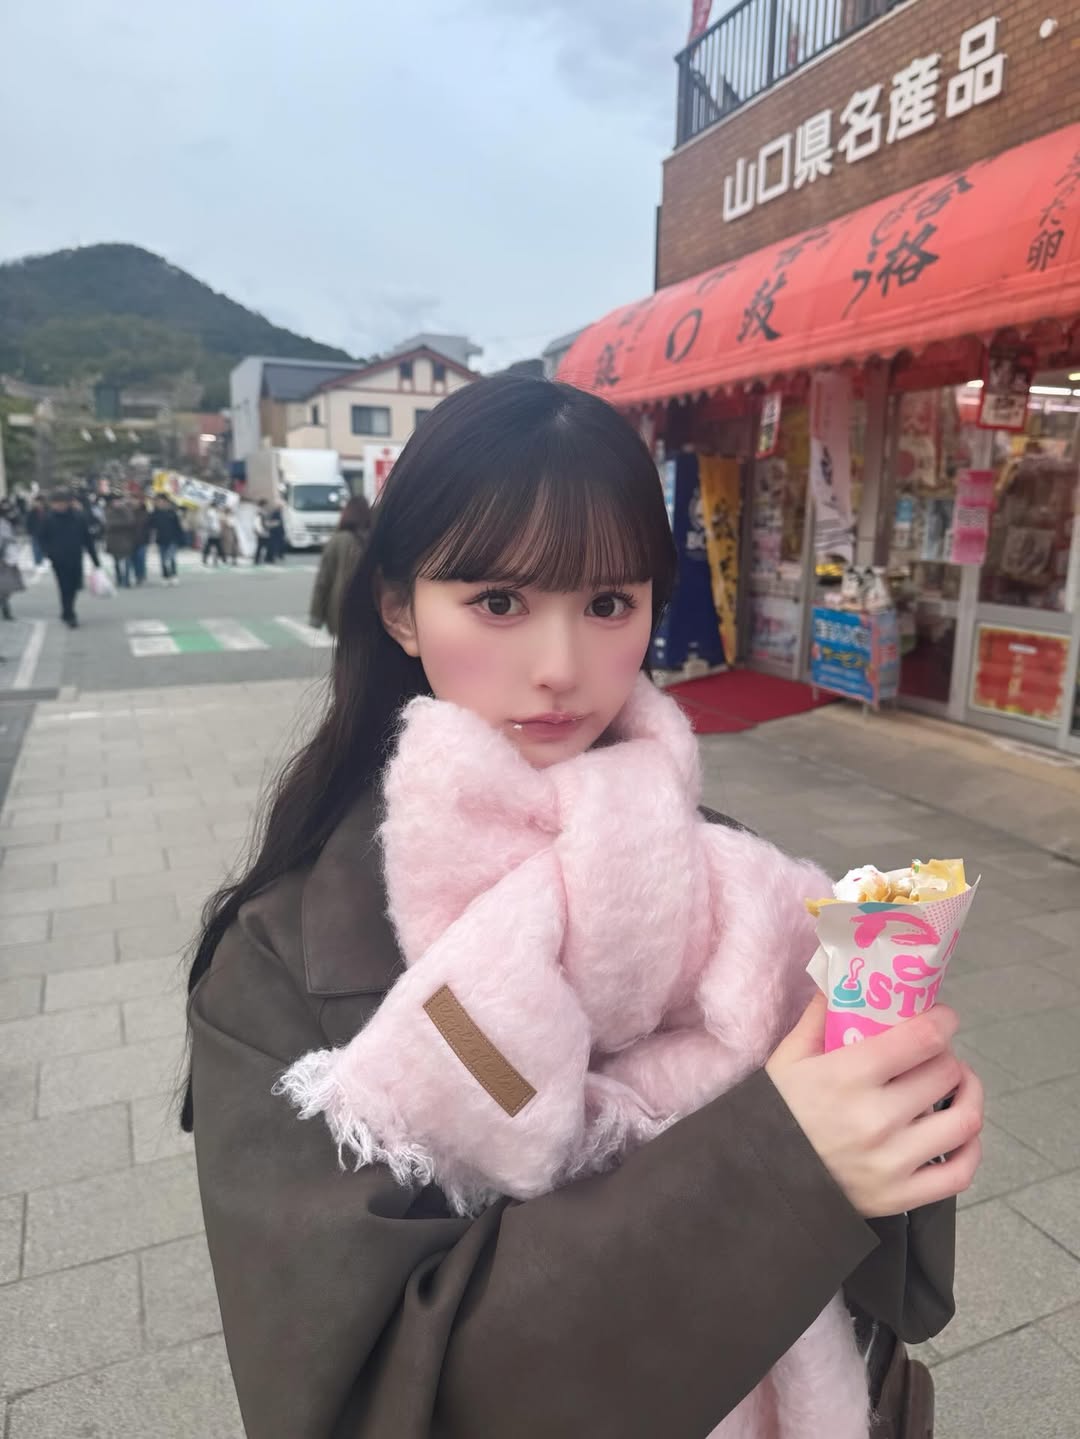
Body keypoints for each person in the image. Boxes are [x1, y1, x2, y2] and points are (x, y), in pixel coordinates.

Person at [183, 377, 981, 1439]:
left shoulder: (732, 874)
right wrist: (785, 1165)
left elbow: (890, 1292)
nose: (560, 668)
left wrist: (895, 1116)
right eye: (498, 602)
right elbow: (364, 1396)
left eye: (608, 603)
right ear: (398, 608)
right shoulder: (280, 968)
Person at [308, 494, 371, 637]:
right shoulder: (374, 538)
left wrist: (316, 616)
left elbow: (323, 581)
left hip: (341, 608)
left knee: (346, 647)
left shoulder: (337, 541)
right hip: (371, 610)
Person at [39, 486, 100, 628]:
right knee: (64, 586)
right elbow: (41, 538)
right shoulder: (48, 518)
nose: (60, 506)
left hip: (75, 556)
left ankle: (67, 610)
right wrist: (48, 553)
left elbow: (87, 540)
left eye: (62, 502)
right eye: (57, 503)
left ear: (68, 503)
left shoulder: (78, 517)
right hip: (58, 559)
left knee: (74, 586)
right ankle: (69, 613)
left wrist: (95, 560)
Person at [147, 494, 183, 585]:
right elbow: (150, 525)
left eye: (162, 501)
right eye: (158, 501)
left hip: (172, 539)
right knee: (163, 559)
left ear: (166, 502)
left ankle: (174, 575)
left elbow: (178, 527)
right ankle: (165, 576)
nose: (160, 503)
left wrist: (180, 539)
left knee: (171, 558)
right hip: (161, 540)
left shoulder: (172, 513)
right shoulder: (155, 513)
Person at [103, 495, 137, 588]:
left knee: (127, 561)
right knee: (116, 562)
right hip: (114, 541)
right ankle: (119, 579)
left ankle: (126, 580)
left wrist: (123, 511)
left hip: (125, 540)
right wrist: (119, 525)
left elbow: (130, 522)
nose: (117, 503)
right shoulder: (109, 511)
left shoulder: (126, 511)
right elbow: (108, 524)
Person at [0, 502, 24, 621]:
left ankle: (6, 608)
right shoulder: (4, 524)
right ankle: (6, 609)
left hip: (5, 558)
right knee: (4, 586)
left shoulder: (4, 523)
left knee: (5, 586)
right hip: (5, 558)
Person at [131, 496, 150, 586]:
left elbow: (149, 527)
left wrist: (148, 538)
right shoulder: (129, 512)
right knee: (134, 559)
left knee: (141, 558)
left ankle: (141, 575)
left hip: (143, 540)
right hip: (131, 540)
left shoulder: (145, 513)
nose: (134, 502)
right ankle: (137, 575)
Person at [26, 496, 48, 568]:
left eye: (40, 502)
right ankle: (38, 562)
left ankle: (42, 560)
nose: (38, 504)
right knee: (36, 547)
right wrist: (29, 532)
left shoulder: (47, 510)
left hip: (45, 532)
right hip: (35, 532)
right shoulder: (32, 512)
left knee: (43, 547)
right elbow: (28, 522)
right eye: (37, 502)